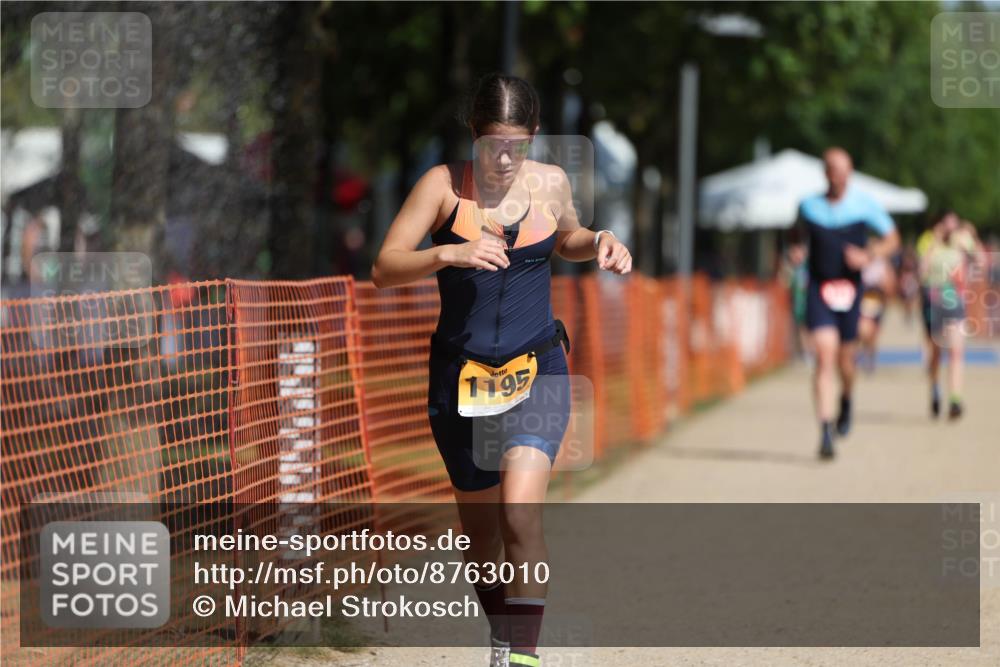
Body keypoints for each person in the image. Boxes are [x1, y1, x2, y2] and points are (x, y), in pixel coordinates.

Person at [371, 73, 632, 667]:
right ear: (474, 135)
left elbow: (565, 238)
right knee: (482, 537)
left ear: (534, 137)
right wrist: (450, 251)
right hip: (459, 381)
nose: (505, 159)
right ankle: (503, 636)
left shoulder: (551, 182)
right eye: (493, 146)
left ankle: (524, 658)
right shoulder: (442, 187)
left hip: (537, 368)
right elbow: (384, 267)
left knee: (519, 512)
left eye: (517, 145)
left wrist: (601, 242)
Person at [788, 148, 899, 459]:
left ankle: (847, 398)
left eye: (844, 170)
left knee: (845, 362)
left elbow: (893, 239)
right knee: (824, 357)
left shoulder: (864, 205)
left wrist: (869, 255)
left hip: (851, 290)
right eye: (833, 170)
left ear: (850, 173)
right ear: (825, 173)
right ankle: (824, 430)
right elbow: (794, 240)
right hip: (819, 289)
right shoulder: (808, 207)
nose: (839, 176)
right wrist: (795, 252)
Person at [917, 210, 983, 420]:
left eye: (954, 224)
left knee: (956, 350)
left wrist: (973, 240)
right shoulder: (927, 241)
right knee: (936, 351)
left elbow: (982, 262)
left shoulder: (962, 240)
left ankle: (955, 398)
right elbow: (921, 273)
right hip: (933, 298)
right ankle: (935, 388)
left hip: (955, 297)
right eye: (946, 224)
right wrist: (934, 245)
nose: (950, 228)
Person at [857, 254, 895, 373]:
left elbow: (890, 285)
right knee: (862, 331)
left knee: (874, 333)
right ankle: (863, 353)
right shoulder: (862, 260)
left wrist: (882, 286)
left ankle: (870, 358)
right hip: (863, 300)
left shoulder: (882, 263)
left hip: (877, 300)